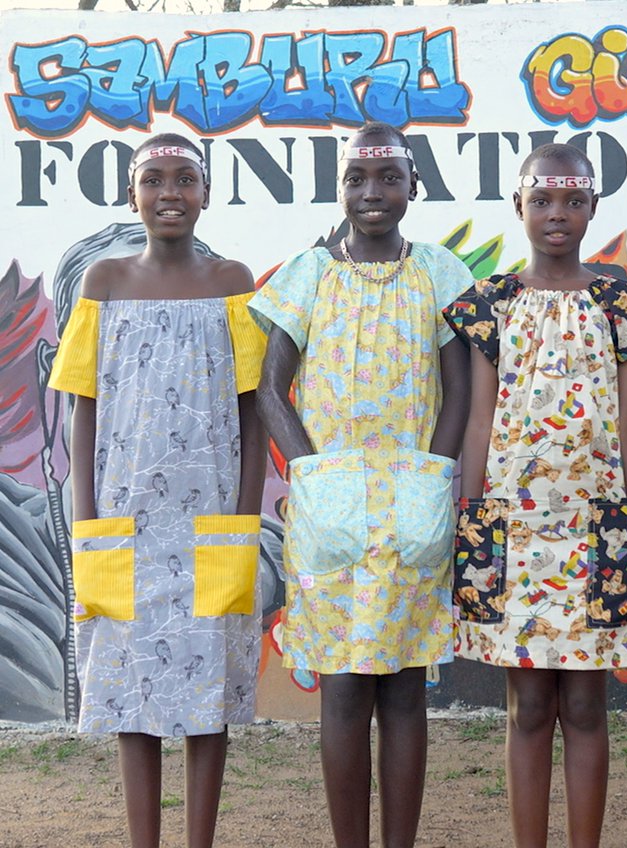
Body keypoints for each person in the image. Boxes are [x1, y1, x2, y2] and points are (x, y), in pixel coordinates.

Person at [249, 122, 472, 848]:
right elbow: (271, 387)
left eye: (387, 178)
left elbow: (459, 389)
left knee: (406, 686)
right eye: (356, 179)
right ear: (340, 188)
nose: (371, 192)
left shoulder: (439, 272)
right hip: (331, 509)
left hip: (414, 504)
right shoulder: (309, 273)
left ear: (415, 186)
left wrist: (433, 480)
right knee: (344, 687)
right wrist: (311, 475)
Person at [444, 143, 627, 848]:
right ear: (519, 206)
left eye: (572, 201)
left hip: (599, 528)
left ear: (593, 207)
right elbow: (480, 418)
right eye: (542, 200)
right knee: (529, 707)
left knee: (586, 703)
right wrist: (473, 519)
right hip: (514, 532)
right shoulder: (491, 306)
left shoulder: (622, 305)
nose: (557, 214)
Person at [48, 133, 267, 848]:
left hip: (211, 526)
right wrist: (88, 527)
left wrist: (241, 523)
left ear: (207, 194)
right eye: (153, 180)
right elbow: (83, 409)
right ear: (131, 194)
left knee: (210, 700)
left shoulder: (233, 280)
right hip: (123, 528)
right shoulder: (103, 283)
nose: (169, 193)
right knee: (127, 694)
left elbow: (251, 408)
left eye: (186, 180)